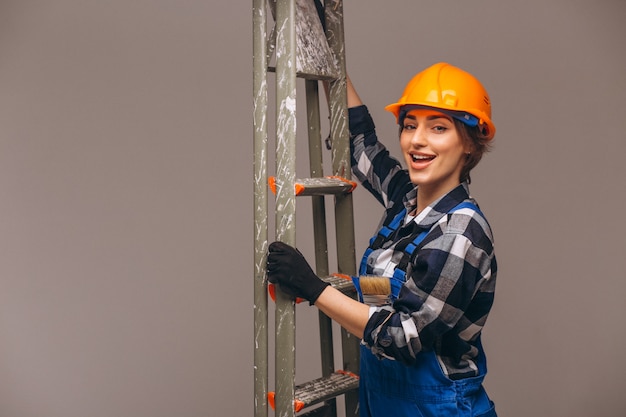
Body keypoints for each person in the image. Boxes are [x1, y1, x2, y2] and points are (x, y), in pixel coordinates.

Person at [266, 62, 498, 417]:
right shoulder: (406, 200)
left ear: (469, 143)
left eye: (438, 127)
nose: (417, 139)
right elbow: (359, 140)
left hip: (437, 409)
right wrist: (330, 58)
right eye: (409, 125)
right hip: (382, 399)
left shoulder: (460, 232)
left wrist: (313, 287)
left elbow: (404, 336)